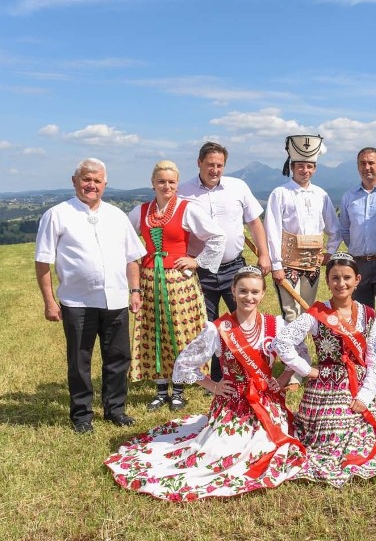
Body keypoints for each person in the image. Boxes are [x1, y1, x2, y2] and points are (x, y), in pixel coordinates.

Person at [104, 267, 307, 500]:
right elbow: (184, 364)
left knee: (269, 445)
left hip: (267, 403)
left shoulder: (276, 325)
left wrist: (280, 381)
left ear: (262, 294)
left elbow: (299, 355)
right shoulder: (217, 328)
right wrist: (214, 386)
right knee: (221, 451)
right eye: (242, 291)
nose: (248, 297)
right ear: (232, 291)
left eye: (254, 292)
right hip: (233, 406)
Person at [35, 158, 146, 434]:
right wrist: (49, 301)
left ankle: (115, 409)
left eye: (97, 180)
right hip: (78, 301)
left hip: (116, 300)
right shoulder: (57, 214)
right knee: (80, 360)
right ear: (74, 181)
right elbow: (42, 262)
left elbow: (133, 259)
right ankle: (82, 414)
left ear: (105, 184)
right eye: (86, 179)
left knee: (118, 358)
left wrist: (134, 291)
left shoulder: (117, 215)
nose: (91, 185)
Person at [272, 253, 376, 487]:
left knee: (360, 427)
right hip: (326, 386)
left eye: (346, 278)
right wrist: (307, 370)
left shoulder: (368, 315)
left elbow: (374, 360)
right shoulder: (316, 314)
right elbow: (281, 342)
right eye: (335, 278)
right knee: (332, 436)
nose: (341, 283)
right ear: (327, 281)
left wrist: (364, 396)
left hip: (358, 384)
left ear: (357, 279)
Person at [128, 160, 226, 412]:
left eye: (171, 182)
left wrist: (197, 261)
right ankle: (161, 391)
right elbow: (125, 242)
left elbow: (217, 236)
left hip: (179, 281)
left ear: (177, 183)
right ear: (153, 183)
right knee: (155, 333)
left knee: (181, 333)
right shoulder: (140, 211)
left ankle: (179, 389)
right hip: (150, 281)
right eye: (161, 181)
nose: (166, 186)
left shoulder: (186, 209)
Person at [178, 141, 271, 384]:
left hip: (234, 268)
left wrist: (263, 254)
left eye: (220, 165)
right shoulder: (182, 191)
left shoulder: (238, 187)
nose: (215, 170)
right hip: (200, 270)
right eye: (210, 164)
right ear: (199, 163)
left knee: (241, 319)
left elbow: (254, 222)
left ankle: (243, 367)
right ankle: (213, 375)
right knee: (207, 325)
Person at [265, 134, 341, 322]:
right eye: (300, 166)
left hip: (312, 263)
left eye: (309, 166)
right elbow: (272, 230)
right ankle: (290, 350)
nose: (304, 170)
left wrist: (330, 252)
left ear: (314, 169)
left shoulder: (321, 194)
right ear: (292, 167)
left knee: (306, 311)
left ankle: (302, 350)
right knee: (291, 312)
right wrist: (276, 264)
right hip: (287, 262)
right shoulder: (280, 193)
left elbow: (334, 228)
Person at [339, 147, 376, 381]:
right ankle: (362, 359)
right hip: (358, 264)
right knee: (360, 315)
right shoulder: (349, 197)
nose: (367, 167)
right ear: (358, 167)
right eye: (363, 163)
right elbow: (345, 228)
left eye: (372, 163)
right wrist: (357, 249)